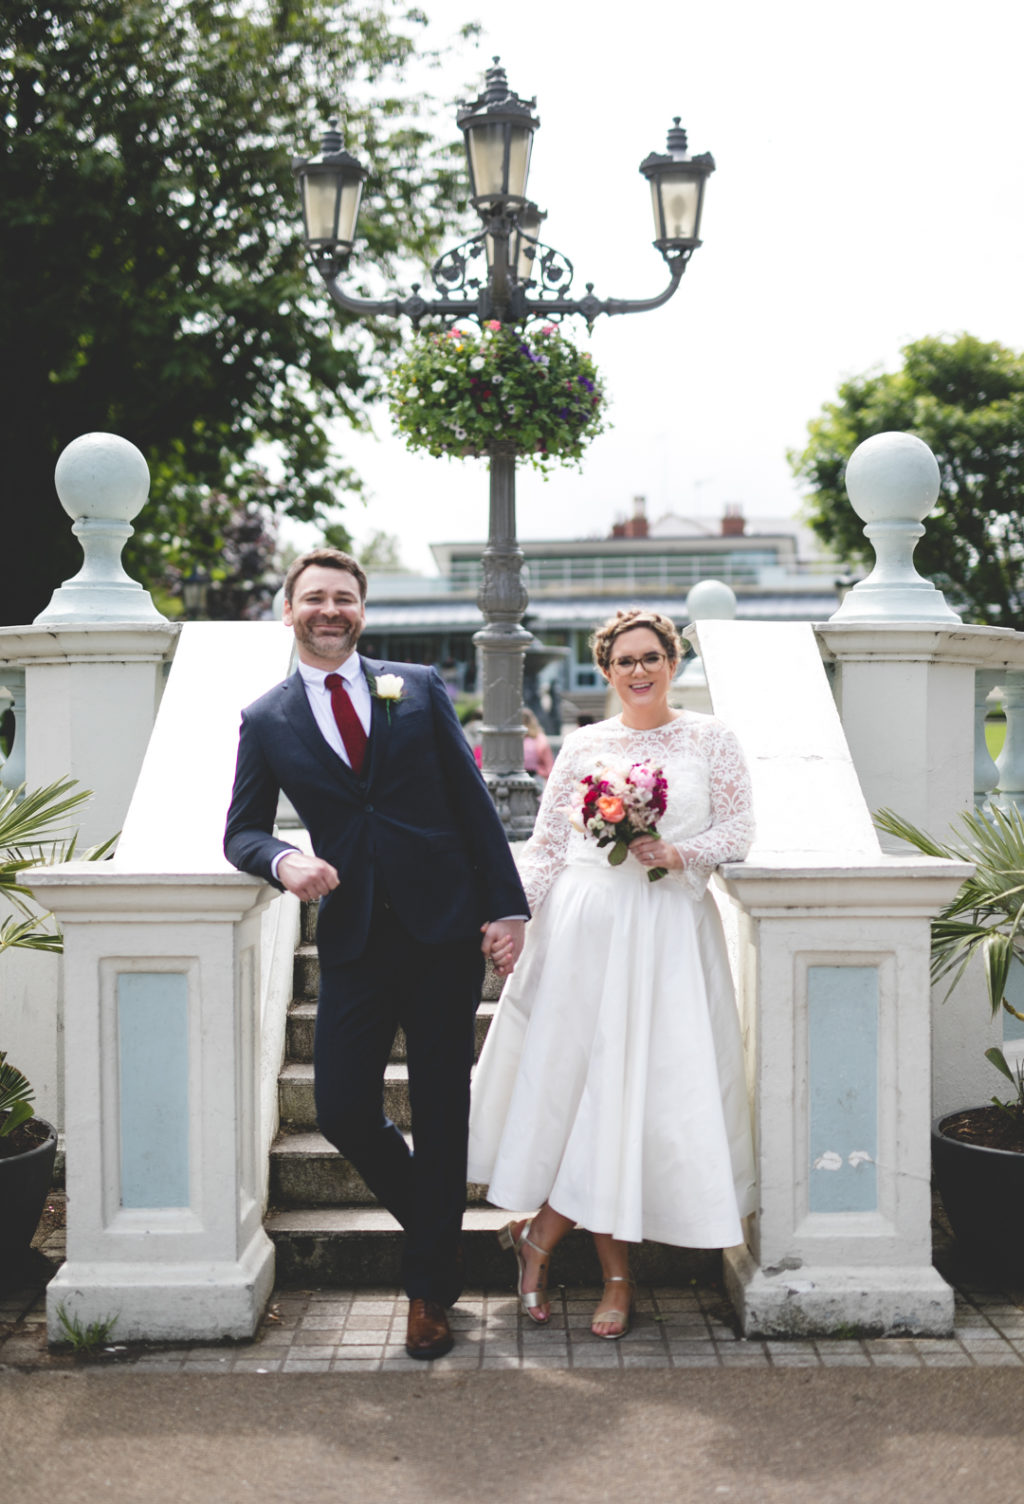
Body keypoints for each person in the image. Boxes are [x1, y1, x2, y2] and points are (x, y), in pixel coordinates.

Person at [223, 548, 528, 1361]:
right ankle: (442, 1236)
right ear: (288, 611)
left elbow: (472, 803)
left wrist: (507, 907)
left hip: (443, 930)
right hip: (354, 935)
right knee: (343, 1110)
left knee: (441, 1107)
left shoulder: (416, 688)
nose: (331, 611)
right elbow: (242, 830)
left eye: (346, 599)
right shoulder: (267, 718)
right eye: (315, 598)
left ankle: (427, 1291)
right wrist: (283, 861)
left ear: (363, 610)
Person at [468, 607, 755, 1340]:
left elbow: (739, 829)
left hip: (667, 937)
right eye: (623, 660)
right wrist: (517, 920)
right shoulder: (586, 743)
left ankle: (542, 1243)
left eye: (650, 657)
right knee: (587, 1093)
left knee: (640, 1095)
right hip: (586, 931)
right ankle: (602, 1272)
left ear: (673, 661)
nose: (637, 671)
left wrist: (677, 852)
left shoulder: (710, 738)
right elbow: (547, 848)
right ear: (606, 669)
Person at [522, 707, 554, 780]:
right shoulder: (540, 739)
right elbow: (549, 765)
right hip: (537, 776)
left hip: (524, 777)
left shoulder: (514, 740)